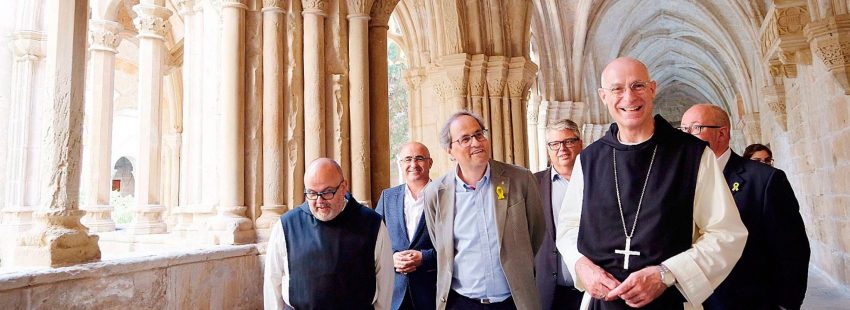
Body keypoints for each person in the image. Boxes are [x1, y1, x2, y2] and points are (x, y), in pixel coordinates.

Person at [555, 57, 748, 309]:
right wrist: (582, 265)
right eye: (617, 89)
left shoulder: (692, 154)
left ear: (652, 89)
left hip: (670, 300)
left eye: (637, 86)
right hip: (602, 303)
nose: (628, 97)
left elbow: (726, 234)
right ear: (603, 96)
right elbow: (569, 228)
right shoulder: (589, 160)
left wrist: (665, 274)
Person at [681, 104, 810, 310]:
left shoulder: (764, 179)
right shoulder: (682, 181)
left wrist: (785, 304)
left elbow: (792, 248)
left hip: (750, 301)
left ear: (722, 133)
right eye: (683, 129)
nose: (687, 136)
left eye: (695, 128)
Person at [422, 111, 546, 310]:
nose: (476, 142)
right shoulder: (436, 193)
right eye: (465, 139)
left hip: (514, 302)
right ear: (450, 150)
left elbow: (536, 232)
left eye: (479, 134)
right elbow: (440, 244)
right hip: (462, 303)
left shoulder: (520, 180)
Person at [263, 158, 393, 309]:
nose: (319, 200)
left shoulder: (372, 224)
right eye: (311, 193)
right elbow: (273, 282)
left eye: (327, 192)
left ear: (344, 187)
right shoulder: (287, 225)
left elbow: (385, 282)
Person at [375, 142, 438, 310]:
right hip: (394, 295)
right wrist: (390, 259)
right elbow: (372, 241)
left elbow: (458, 245)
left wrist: (424, 258)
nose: (413, 164)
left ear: (430, 163)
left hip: (433, 293)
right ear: (400, 164)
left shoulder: (445, 195)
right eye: (407, 159)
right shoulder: (387, 197)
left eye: (419, 159)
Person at [534, 119, 585, 310]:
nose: (561, 148)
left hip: (593, 289)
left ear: (581, 143)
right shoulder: (533, 184)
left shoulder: (597, 180)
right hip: (550, 292)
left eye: (569, 141)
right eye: (554, 144)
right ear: (548, 149)